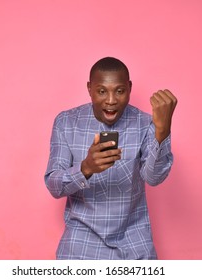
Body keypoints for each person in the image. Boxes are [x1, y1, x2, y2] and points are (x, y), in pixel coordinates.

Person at [44, 57, 177, 259]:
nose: (111, 100)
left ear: (129, 88)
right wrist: (85, 168)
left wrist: (163, 131)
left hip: (134, 245)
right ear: (89, 89)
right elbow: (54, 186)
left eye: (120, 91)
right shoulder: (66, 122)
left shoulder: (145, 123)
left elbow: (154, 178)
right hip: (80, 247)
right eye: (102, 91)